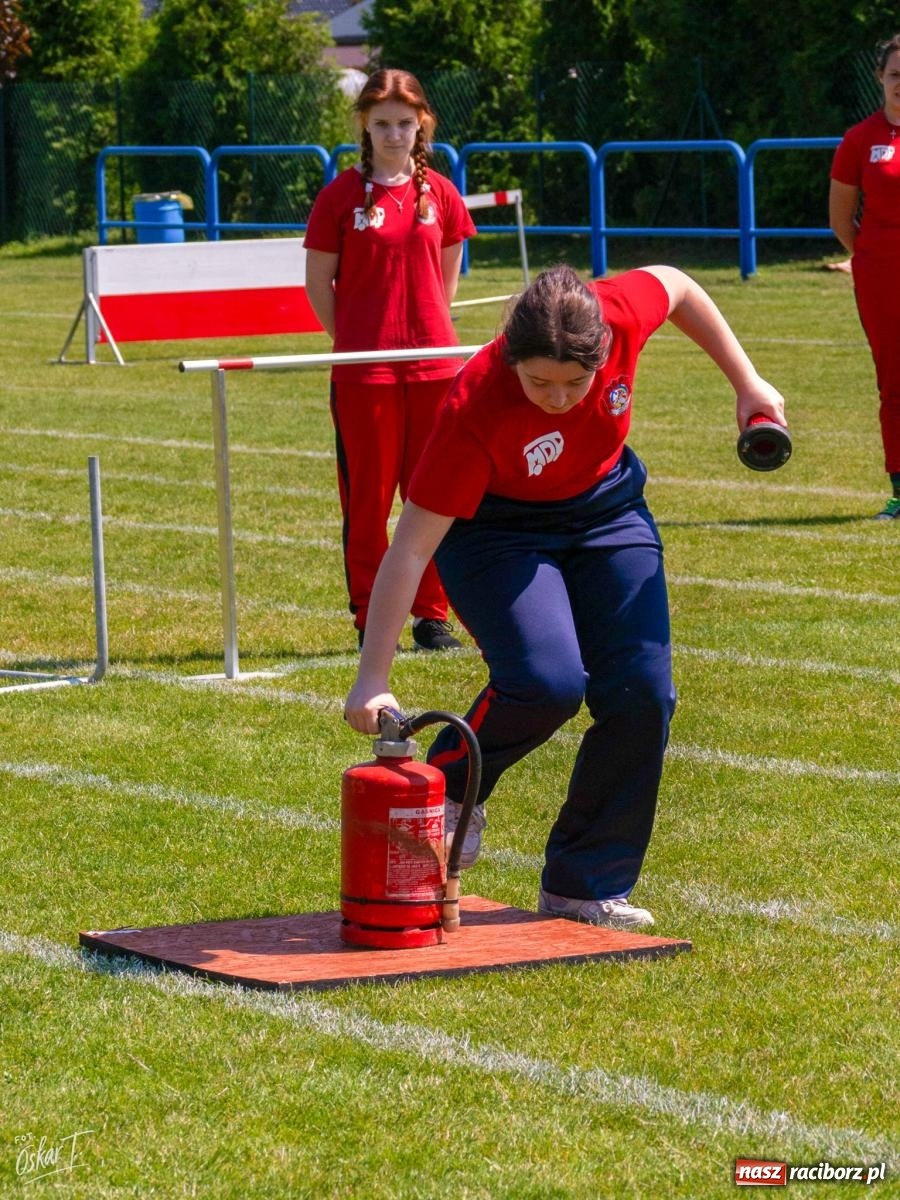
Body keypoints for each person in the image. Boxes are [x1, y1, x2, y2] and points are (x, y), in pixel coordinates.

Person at [344, 263, 786, 929]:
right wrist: (372, 677)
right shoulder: (475, 407)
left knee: (643, 692)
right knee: (545, 681)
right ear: (511, 360)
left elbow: (681, 285)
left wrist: (747, 382)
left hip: (607, 510)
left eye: (575, 384)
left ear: (605, 352)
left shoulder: (621, 313)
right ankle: (457, 784)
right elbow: (408, 549)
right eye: (538, 381)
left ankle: (585, 886)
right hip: (494, 531)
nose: (555, 397)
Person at [303, 69, 478, 647]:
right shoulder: (339, 197)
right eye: (383, 124)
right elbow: (318, 285)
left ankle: (432, 614)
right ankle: (368, 616)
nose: (395, 134)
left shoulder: (443, 196)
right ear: (364, 125)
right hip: (364, 375)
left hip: (435, 369)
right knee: (370, 499)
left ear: (422, 124)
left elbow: (445, 282)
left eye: (405, 123)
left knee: (430, 495)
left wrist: (424, 333)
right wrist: (357, 340)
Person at [829, 33, 900, 520]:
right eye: (896, 75)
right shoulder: (859, 139)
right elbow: (841, 218)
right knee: (894, 381)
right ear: (880, 77)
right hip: (881, 276)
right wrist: (872, 259)